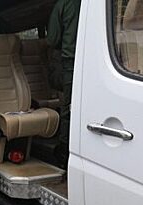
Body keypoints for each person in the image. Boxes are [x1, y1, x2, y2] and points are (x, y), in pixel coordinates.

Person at [47, 0, 81, 168]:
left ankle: (64, 152)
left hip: (71, 61)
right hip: (96, 60)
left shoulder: (64, 4)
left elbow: (52, 39)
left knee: (69, 108)